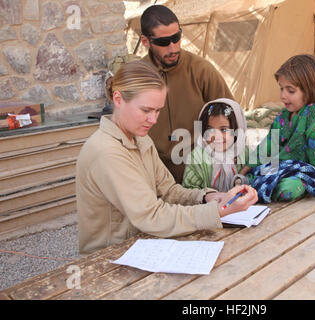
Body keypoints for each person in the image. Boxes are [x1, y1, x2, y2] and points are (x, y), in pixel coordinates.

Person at [76, 60, 257, 255]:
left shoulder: (141, 140)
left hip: (143, 244)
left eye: (157, 110)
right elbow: (152, 215)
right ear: (118, 99)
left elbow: (169, 191)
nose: (153, 120)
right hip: (109, 258)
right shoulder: (107, 152)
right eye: (146, 110)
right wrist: (218, 211)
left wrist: (208, 197)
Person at [140, 5, 234, 183]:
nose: (173, 47)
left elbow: (231, 114)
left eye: (176, 38)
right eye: (163, 42)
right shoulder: (139, 75)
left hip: (200, 172)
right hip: (155, 176)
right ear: (145, 41)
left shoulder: (201, 70)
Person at [239, 54, 315, 202]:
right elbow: (270, 143)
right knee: (252, 163)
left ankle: (261, 184)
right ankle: (255, 181)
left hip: (304, 172)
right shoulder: (284, 115)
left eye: (290, 91)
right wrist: (246, 168)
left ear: (310, 89)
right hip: (283, 166)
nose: (283, 96)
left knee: (289, 188)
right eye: (281, 89)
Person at [182, 98, 249, 192]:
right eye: (210, 129)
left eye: (224, 130)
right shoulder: (196, 159)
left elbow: (254, 180)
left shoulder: (246, 154)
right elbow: (189, 192)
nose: (216, 136)